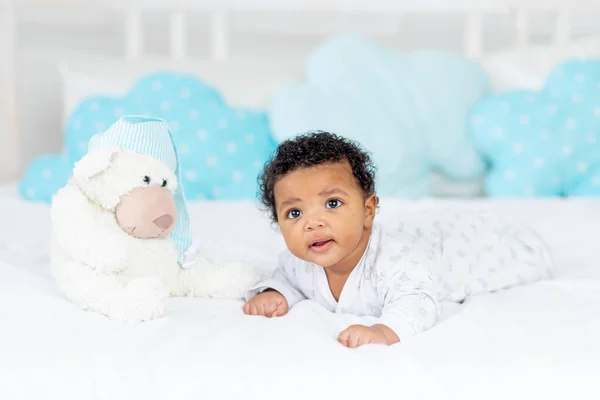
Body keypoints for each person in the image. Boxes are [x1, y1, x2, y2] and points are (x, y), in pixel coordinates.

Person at [243, 131, 554, 348]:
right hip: (425, 242)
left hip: (467, 254)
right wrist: (277, 294)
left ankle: (512, 238)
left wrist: (384, 331)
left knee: (495, 252)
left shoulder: (398, 261)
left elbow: (418, 301)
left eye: (333, 204)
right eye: (295, 213)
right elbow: (287, 278)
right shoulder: (299, 263)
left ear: (367, 211)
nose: (313, 223)